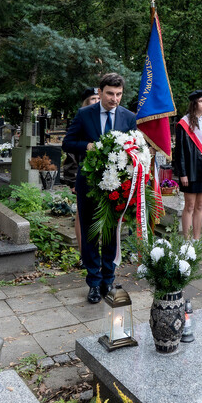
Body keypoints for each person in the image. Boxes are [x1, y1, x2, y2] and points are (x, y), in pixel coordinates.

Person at [62, 74, 137, 303]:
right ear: (101, 92)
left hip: (116, 186)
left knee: (111, 233)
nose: (115, 98)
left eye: (119, 94)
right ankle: (93, 283)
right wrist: (88, 146)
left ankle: (108, 280)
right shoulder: (85, 114)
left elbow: (134, 148)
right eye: (110, 94)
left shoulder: (128, 117)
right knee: (91, 233)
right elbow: (67, 143)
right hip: (89, 183)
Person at [174, 89, 202, 240]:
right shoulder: (184, 123)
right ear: (194, 103)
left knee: (200, 205)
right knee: (190, 206)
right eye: (201, 101)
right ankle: (187, 242)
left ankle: (196, 240)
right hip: (190, 171)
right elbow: (179, 150)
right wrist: (182, 173)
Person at [63, 87, 99, 251]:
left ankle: (94, 249)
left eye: (98, 98)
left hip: (101, 176)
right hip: (83, 175)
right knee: (82, 215)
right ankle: (82, 250)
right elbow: (71, 152)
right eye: (93, 99)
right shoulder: (82, 118)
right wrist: (72, 180)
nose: (96, 102)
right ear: (86, 102)